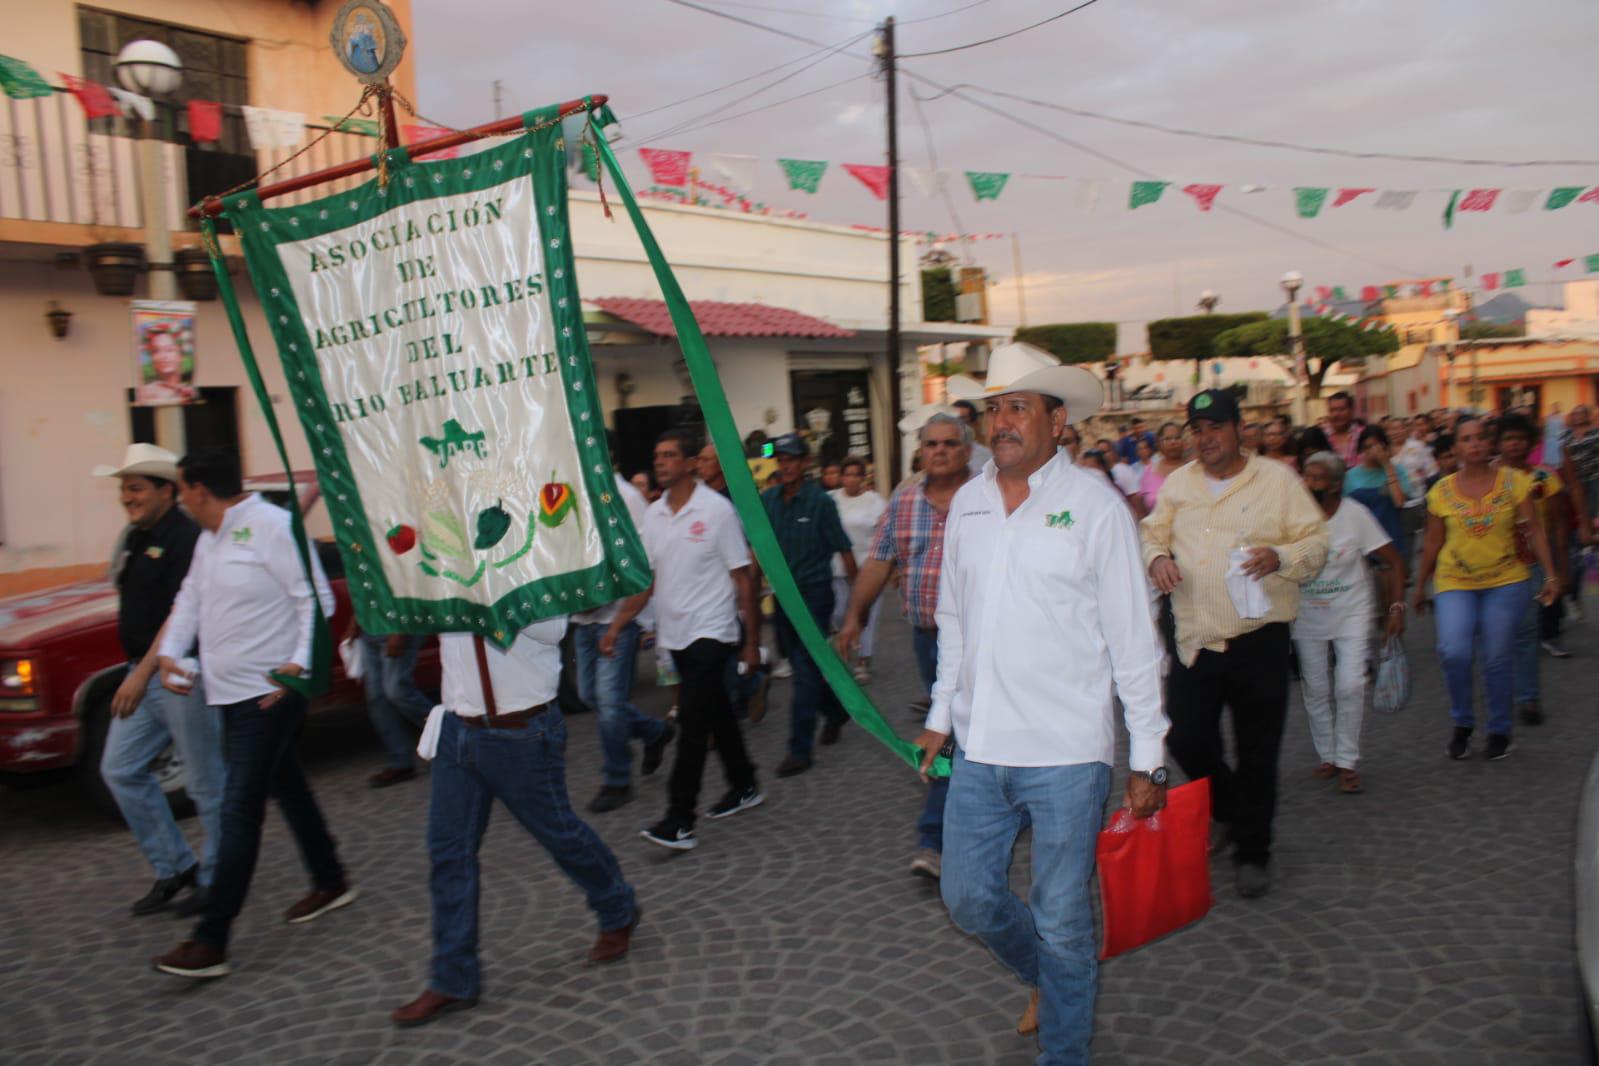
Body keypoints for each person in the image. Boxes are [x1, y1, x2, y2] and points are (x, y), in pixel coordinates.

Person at [920, 345, 1168, 1062]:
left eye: (1017, 407)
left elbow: (1133, 639)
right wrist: (939, 717)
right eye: (993, 408)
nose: (1000, 422)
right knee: (966, 899)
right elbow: (954, 621)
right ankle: (1049, 979)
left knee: (1062, 918)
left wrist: (1147, 757)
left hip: (1066, 752)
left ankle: (1065, 1049)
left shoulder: (1093, 507)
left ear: (1057, 422)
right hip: (980, 747)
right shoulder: (965, 503)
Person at [151, 448, 350, 980]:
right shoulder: (211, 539)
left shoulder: (273, 526)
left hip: (271, 695)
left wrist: (297, 668)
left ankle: (211, 938)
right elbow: (189, 600)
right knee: (285, 783)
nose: (181, 497)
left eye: (181, 489)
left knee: (241, 805)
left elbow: (316, 601)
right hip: (229, 693)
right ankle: (330, 877)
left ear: (197, 490)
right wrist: (171, 651)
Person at [389, 622, 640, 1028]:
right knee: (448, 851)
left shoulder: (530, 558)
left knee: (559, 833)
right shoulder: (445, 561)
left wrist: (488, 598)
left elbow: (553, 629)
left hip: (521, 731)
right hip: (458, 728)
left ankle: (616, 907)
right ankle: (453, 978)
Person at [1142, 389, 1329, 899]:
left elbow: (1316, 542)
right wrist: (1157, 558)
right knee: (1185, 738)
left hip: (1259, 638)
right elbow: (1150, 532)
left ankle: (1253, 852)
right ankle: (1230, 810)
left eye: (1215, 427)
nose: (1205, 438)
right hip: (1195, 638)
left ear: (1238, 428)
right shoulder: (1179, 483)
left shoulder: (1278, 481)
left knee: (1257, 753)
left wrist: (1281, 558)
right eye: (1196, 429)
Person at [607, 430, 763, 851]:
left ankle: (679, 819)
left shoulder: (717, 511)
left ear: (691, 463)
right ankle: (745, 782)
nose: (661, 462)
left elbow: (742, 575)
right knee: (716, 714)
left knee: (693, 724)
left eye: (671, 455)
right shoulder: (654, 515)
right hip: (674, 635)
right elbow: (647, 581)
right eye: (657, 455)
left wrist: (751, 642)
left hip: (712, 631)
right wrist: (618, 623)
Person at [836, 413, 973, 880]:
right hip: (927, 640)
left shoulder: (989, 498)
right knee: (957, 729)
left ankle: (933, 839)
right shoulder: (904, 502)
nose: (939, 451)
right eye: (931, 443)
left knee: (950, 729)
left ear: (967, 450)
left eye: (949, 443)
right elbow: (878, 563)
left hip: (983, 642)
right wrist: (854, 618)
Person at [92, 443, 223, 918]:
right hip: (142, 676)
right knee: (121, 770)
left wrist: (141, 674)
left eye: (136, 487)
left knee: (206, 782)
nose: (127, 496)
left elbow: (179, 616)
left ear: (167, 490)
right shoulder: (133, 536)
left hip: (179, 675)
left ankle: (217, 880)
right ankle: (175, 867)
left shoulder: (185, 537)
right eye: (124, 488)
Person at [1414, 415, 1559, 761]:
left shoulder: (1513, 483)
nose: (1474, 444)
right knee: (1454, 651)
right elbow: (1433, 542)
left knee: (1496, 656)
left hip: (1506, 580)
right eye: (1466, 439)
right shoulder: (1441, 491)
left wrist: (1552, 575)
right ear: (1456, 447)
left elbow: (1534, 530)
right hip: (1454, 581)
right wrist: (1419, 587)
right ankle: (1462, 721)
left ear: (1488, 443)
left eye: (1480, 437)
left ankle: (1499, 730)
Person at [1294, 452, 1406, 795]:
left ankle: (1347, 760)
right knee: (1315, 688)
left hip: (1352, 612)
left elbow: (1394, 560)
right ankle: (1327, 755)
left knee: (1350, 685)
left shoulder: (1356, 515)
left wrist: (1396, 607)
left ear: (1337, 484)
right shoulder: (1294, 516)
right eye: (1307, 477)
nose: (1309, 485)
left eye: (1317, 479)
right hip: (1306, 614)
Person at [572, 466, 676, 813]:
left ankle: (617, 779)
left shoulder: (627, 498)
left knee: (610, 702)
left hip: (616, 617)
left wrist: (619, 620)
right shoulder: (570, 492)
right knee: (590, 696)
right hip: (583, 617)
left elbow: (642, 564)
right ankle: (653, 732)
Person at [762, 433, 857, 778]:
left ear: (805, 463)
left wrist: (855, 609)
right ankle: (834, 712)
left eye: (792, 459)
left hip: (815, 594)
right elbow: (759, 547)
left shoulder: (820, 502)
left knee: (803, 671)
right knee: (803, 665)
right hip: (782, 597)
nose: (785, 465)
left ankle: (799, 750)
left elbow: (845, 550)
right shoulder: (768, 500)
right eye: (781, 460)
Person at [1496, 415, 1571, 717]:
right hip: (1495, 563)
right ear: (1498, 444)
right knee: (1499, 633)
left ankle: (1528, 697)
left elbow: (1556, 525)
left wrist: (1559, 568)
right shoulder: (1488, 477)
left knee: (1527, 630)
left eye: (1519, 438)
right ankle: (1501, 692)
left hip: (1532, 562)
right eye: (1507, 439)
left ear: (1530, 444)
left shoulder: (1544, 478)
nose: (1514, 444)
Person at [348, 620, 436, 788]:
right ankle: (401, 762)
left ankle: (449, 734)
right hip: (371, 628)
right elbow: (363, 593)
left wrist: (399, 632)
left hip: (397, 625)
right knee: (377, 698)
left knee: (398, 691)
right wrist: (355, 620)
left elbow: (405, 593)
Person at [828, 456, 887, 683]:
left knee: (867, 615)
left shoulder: (875, 501)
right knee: (840, 613)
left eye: (856, 474)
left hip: (869, 568)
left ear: (863, 477)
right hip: (837, 568)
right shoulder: (830, 499)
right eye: (847, 474)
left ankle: (864, 660)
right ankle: (845, 653)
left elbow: (884, 533)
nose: (851, 479)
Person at [1343, 424, 1414, 558]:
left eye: (1376, 446)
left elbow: (1399, 502)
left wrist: (1387, 466)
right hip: (1362, 542)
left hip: (1391, 537)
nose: (1372, 451)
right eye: (1367, 447)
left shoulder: (1398, 470)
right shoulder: (1350, 477)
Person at [135, 325, 197, 405]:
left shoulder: (189, 391)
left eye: (169, 350)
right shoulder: (146, 392)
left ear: (180, 355)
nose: (163, 356)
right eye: (156, 351)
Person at [1139, 421, 1185, 512]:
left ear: (1184, 442)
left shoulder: (1194, 470)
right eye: (1167, 439)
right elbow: (1141, 505)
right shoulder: (1149, 471)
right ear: (1158, 443)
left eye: (1177, 438)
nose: (1173, 442)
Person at [953, 398, 994, 470]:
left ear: (973, 423)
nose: (957, 423)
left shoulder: (985, 456)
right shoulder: (937, 451)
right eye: (953, 419)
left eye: (962, 419)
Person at [1325, 391, 1360, 466]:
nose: (1336, 414)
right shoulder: (1322, 436)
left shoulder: (1362, 435)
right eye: (1332, 410)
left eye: (1341, 409)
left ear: (1352, 411)